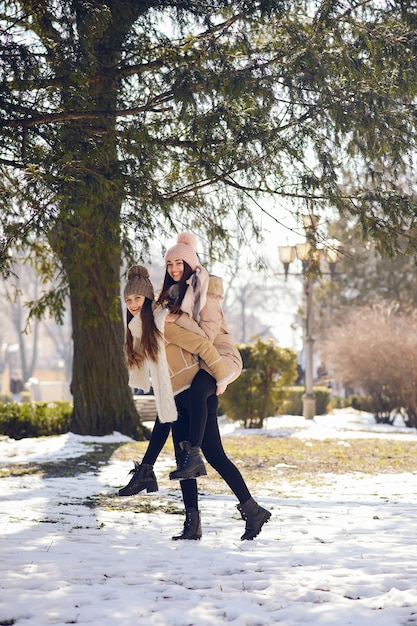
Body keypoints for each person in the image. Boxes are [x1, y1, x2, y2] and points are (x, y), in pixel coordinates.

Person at [120, 234, 271, 541]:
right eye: (128, 301)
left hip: (203, 379)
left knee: (202, 455)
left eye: (180, 262)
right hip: (180, 390)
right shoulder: (153, 318)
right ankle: (212, 520)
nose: (175, 268)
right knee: (196, 456)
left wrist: (221, 379)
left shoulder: (179, 312)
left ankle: (150, 472)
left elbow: (204, 340)